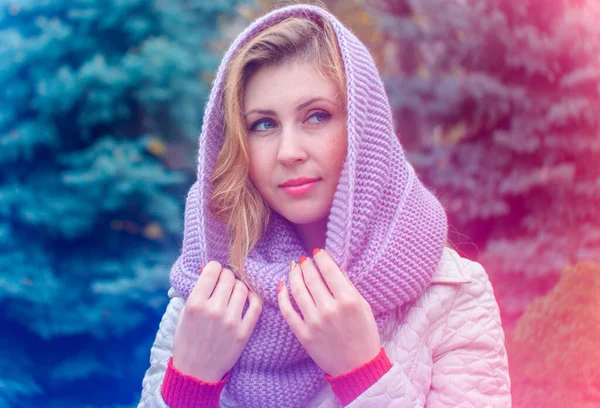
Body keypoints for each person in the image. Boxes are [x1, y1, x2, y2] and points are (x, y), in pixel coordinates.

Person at [137, 3, 511, 407]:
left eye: (317, 116)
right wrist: (190, 387)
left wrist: (362, 374)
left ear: (363, 129)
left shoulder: (452, 294)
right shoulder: (206, 296)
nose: (289, 151)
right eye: (263, 124)